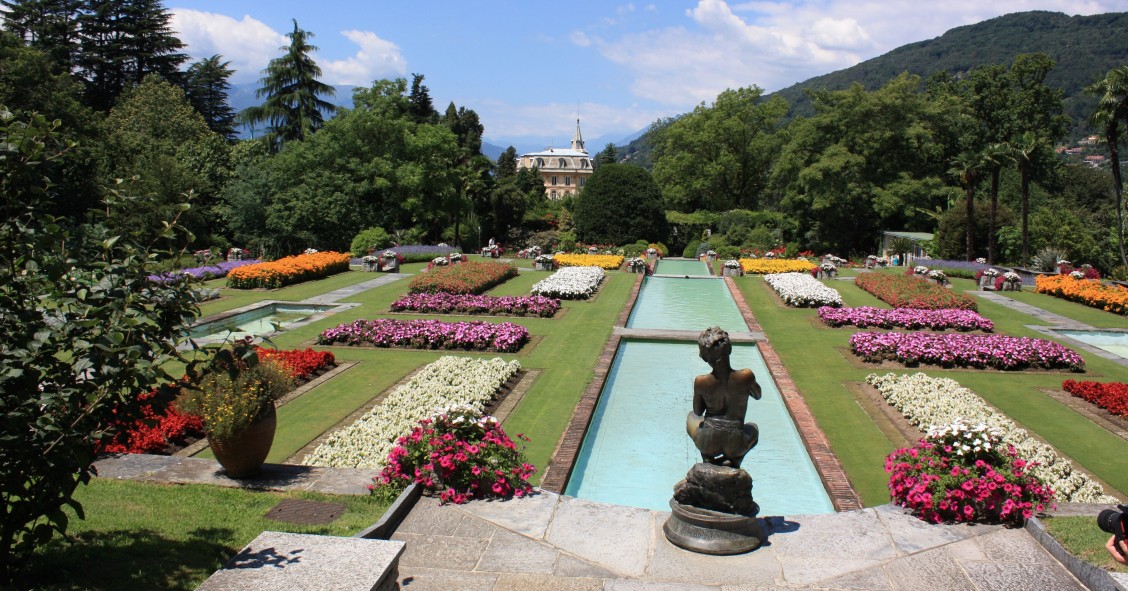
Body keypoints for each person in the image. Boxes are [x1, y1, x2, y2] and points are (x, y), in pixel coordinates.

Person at [686, 327, 762, 468]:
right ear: (729, 350)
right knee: (753, 428)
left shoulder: (701, 381)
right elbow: (758, 395)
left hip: (708, 442)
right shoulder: (746, 375)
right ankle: (735, 460)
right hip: (736, 444)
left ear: (706, 357)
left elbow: (697, 412)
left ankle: (707, 458)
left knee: (691, 417)